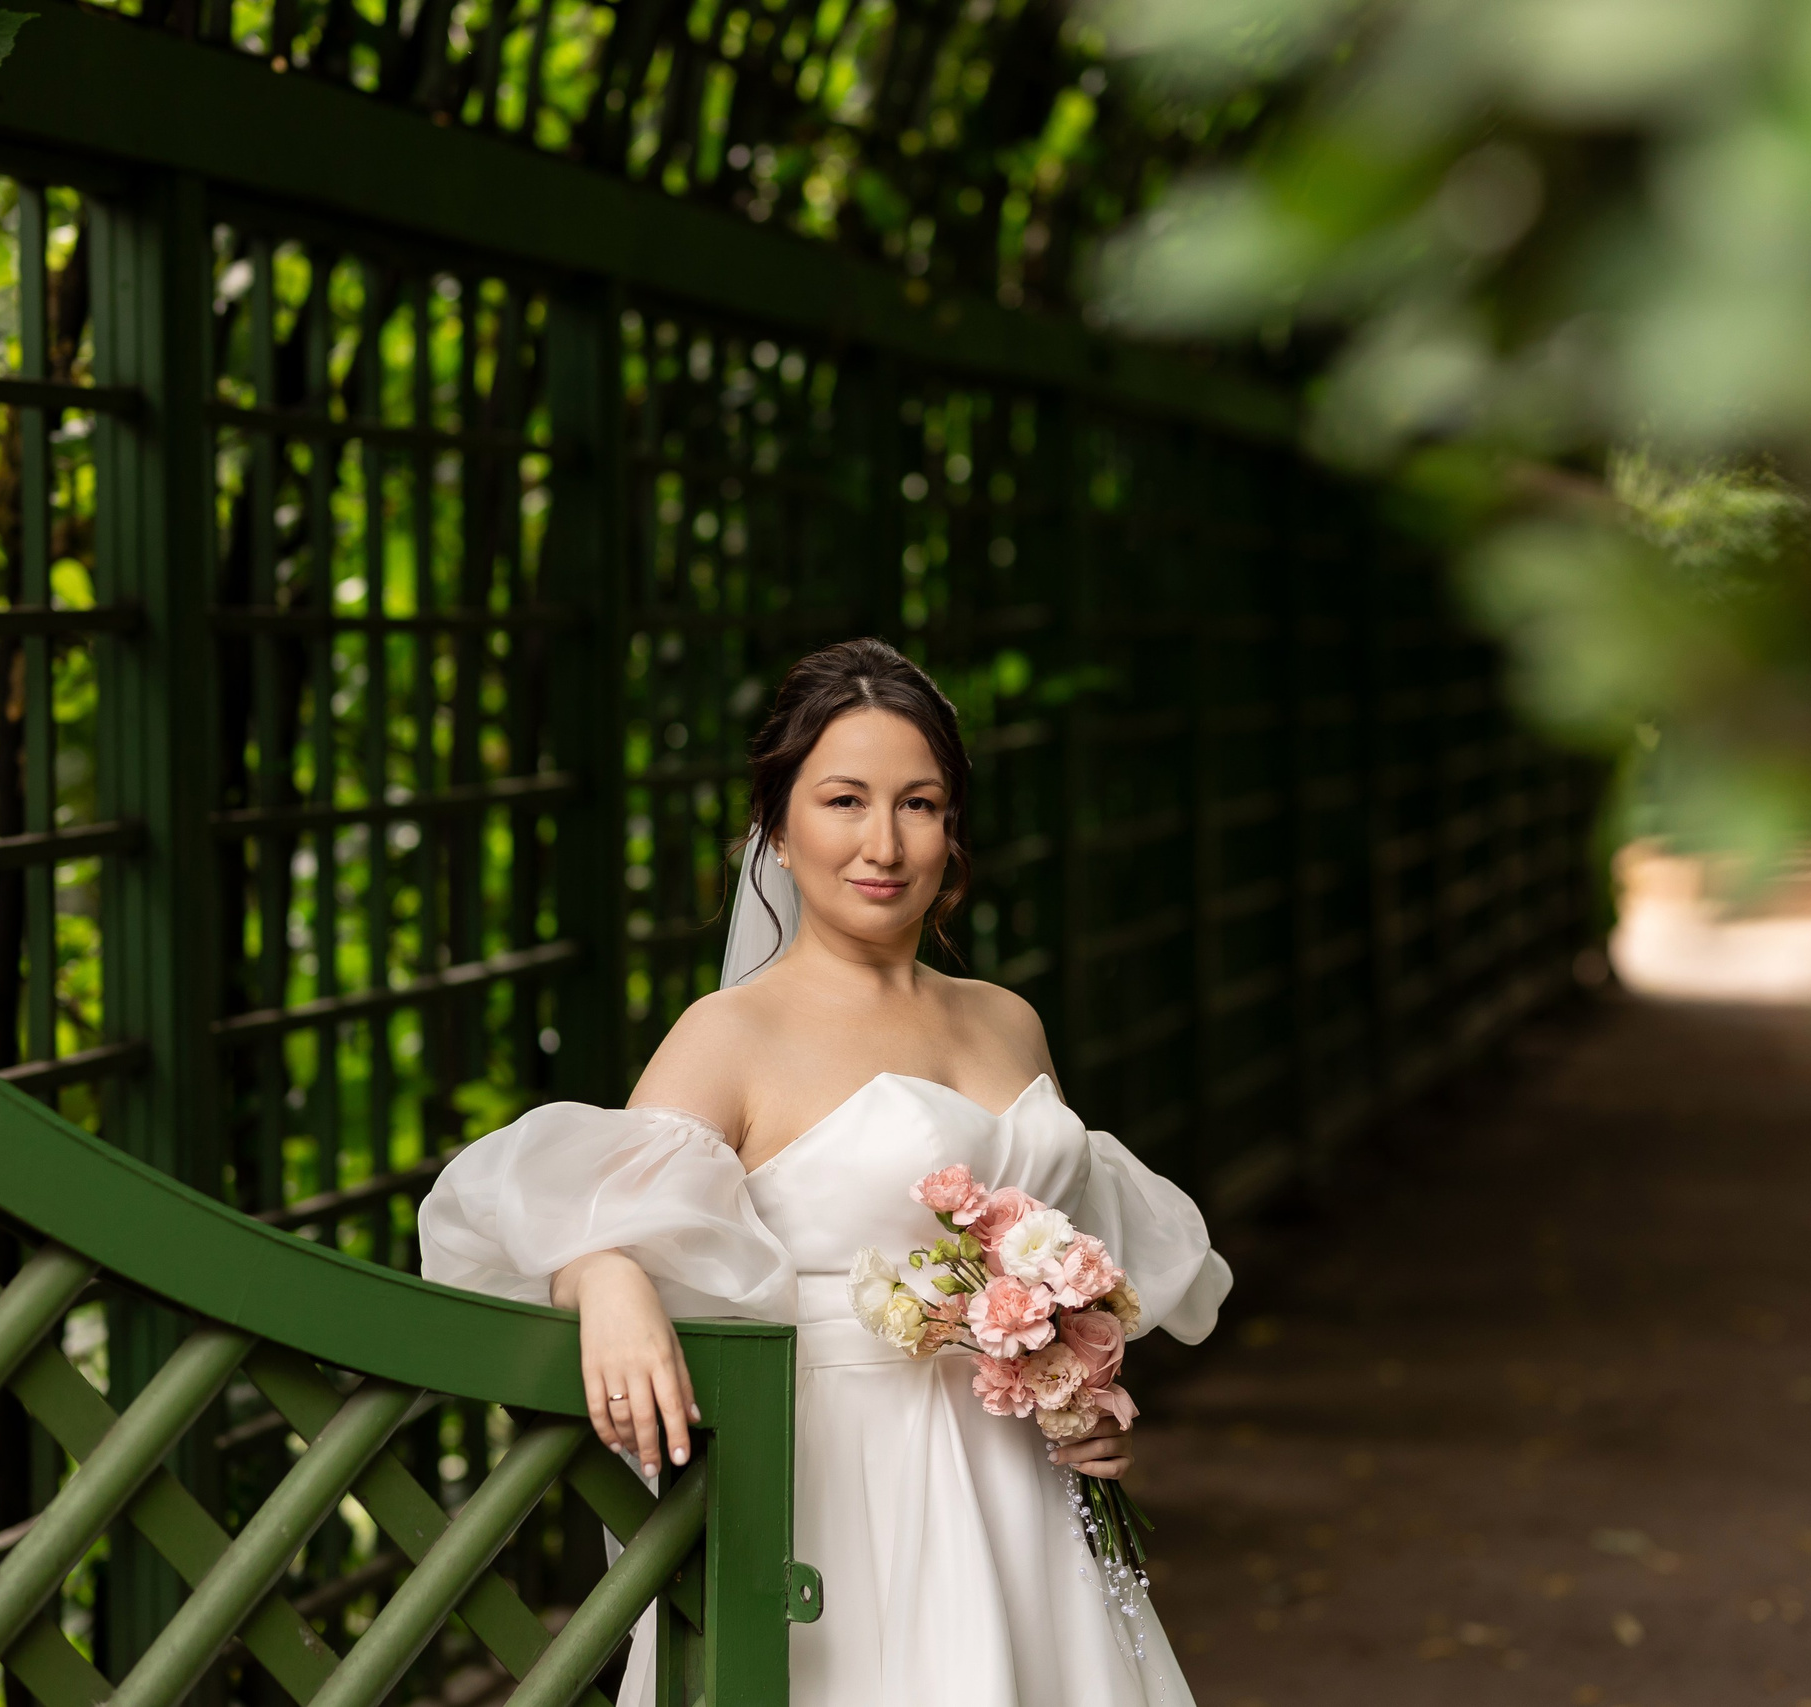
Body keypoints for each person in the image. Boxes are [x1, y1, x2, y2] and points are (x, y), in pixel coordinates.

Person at [419, 637, 1233, 1705]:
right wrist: (606, 1276)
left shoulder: (1006, 1020)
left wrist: (1074, 1386)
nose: (883, 842)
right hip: (833, 1484)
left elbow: (1049, 1246)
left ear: (952, 828)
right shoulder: (730, 1033)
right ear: (777, 828)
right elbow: (581, 1209)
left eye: (920, 803)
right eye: (844, 800)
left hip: (1018, 1489)